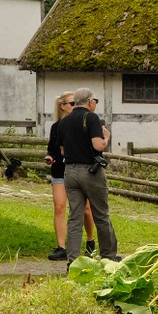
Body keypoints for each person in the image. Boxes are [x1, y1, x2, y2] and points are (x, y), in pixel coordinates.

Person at [57, 88, 119, 263]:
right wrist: (106, 137)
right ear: (90, 102)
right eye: (95, 102)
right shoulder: (91, 118)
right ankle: (108, 257)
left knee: (75, 217)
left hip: (70, 172)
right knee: (101, 214)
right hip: (90, 172)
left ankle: (73, 261)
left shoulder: (64, 122)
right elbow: (98, 145)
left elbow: (62, 151)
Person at [45, 91, 95, 261]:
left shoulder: (85, 124)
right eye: (72, 104)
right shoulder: (57, 126)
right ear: (63, 106)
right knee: (59, 207)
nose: (75, 107)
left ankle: (90, 242)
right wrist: (50, 157)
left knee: (86, 210)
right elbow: (53, 148)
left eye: (76, 103)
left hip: (79, 170)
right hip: (60, 171)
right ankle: (61, 247)